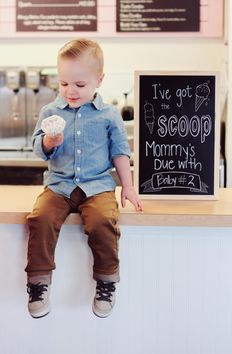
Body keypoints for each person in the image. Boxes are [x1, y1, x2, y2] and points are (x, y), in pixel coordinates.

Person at [25, 38, 143, 319]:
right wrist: (50, 142)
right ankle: (38, 283)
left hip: (97, 187)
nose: (70, 91)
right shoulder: (50, 112)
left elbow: (120, 152)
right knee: (40, 219)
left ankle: (106, 280)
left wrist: (127, 186)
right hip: (59, 187)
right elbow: (38, 149)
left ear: (99, 80)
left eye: (79, 85)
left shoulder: (108, 114)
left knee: (103, 221)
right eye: (64, 83)